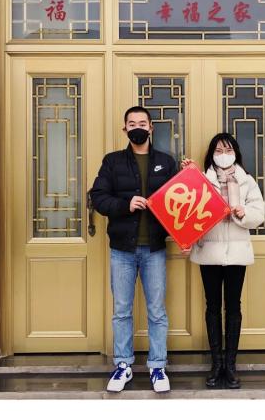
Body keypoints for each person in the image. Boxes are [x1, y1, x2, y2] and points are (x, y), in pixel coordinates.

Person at [90, 106, 177, 393]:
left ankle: (158, 366)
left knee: (156, 311)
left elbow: (181, 203)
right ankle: (123, 364)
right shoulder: (112, 161)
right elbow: (98, 198)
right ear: (124, 129)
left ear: (151, 128)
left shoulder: (166, 162)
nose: (137, 127)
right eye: (132, 123)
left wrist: (190, 175)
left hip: (154, 249)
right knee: (122, 311)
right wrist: (124, 205)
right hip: (122, 250)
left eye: (142, 123)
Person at [181, 133, 265, 389]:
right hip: (209, 251)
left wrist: (243, 212)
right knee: (213, 306)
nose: (223, 155)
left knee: (234, 307)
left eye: (228, 150)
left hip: (237, 252)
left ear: (236, 153)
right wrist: (188, 174)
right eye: (218, 150)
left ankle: (231, 364)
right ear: (212, 154)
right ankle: (216, 364)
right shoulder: (202, 180)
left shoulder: (246, 180)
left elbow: (259, 213)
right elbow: (187, 210)